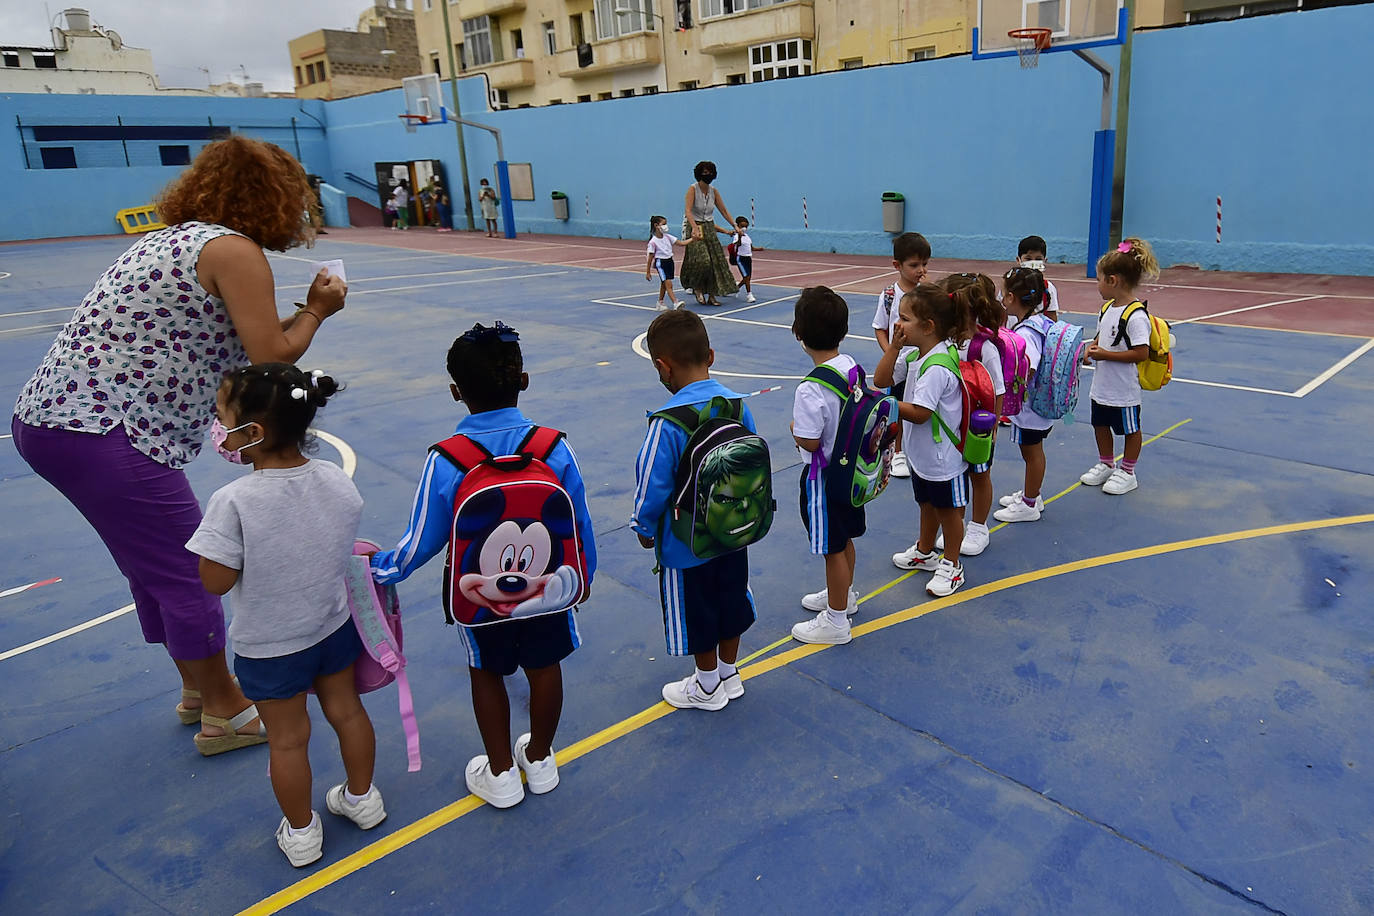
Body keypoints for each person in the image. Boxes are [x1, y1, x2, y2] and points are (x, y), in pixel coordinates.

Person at [11, 136, 346, 756]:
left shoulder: (172, 239)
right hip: (108, 430)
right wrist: (319, 310)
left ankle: (197, 688)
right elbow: (271, 357)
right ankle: (224, 711)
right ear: (272, 198)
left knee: (153, 565)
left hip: (53, 421)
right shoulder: (235, 251)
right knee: (191, 574)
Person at [370, 322, 596, 809]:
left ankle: (500, 774)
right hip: (549, 588)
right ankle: (538, 757)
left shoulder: (449, 459)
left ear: (456, 392)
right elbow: (579, 519)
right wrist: (584, 577)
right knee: (545, 665)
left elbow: (423, 538)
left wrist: (381, 570)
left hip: (480, 596)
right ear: (524, 380)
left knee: (486, 672)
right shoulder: (553, 447)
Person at [185, 364, 383, 867]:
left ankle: (301, 833)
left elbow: (215, 581)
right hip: (332, 627)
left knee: (289, 739)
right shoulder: (335, 480)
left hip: (271, 647)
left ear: (251, 433)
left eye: (221, 417)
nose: (217, 427)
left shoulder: (233, 501)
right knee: (347, 712)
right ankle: (363, 799)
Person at [631, 310, 758, 710]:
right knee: (732, 599)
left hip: (687, 543)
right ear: (712, 356)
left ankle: (705, 686)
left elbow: (653, 482)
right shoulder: (737, 406)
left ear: (661, 366)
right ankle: (728, 673)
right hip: (734, 530)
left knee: (697, 611)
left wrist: (643, 524)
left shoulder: (667, 422)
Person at [874, 285, 969, 597]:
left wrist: (881, 405)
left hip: (943, 459)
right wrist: (893, 349)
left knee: (949, 513)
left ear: (928, 327)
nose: (898, 324)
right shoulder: (915, 354)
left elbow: (920, 413)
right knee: (926, 504)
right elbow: (882, 381)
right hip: (922, 455)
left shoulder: (937, 366)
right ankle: (925, 551)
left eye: (905, 319)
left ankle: (952, 565)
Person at [790, 287, 866, 646]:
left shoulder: (810, 387)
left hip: (822, 477)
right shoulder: (852, 366)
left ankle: (835, 621)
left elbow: (808, 439)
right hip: (850, 473)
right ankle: (843, 595)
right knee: (844, 537)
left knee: (831, 546)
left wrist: (793, 429)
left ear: (799, 334)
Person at [1080, 238, 1160, 496]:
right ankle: (1106, 463)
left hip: (1123, 390)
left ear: (1113, 281)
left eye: (1099, 279)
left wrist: (1105, 354)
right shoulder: (1106, 309)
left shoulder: (1136, 316)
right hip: (1102, 386)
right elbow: (1102, 337)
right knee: (1100, 425)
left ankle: (1128, 471)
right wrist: (1091, 348)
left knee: (1129, 430)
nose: (1098, 285)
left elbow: (1141, 353)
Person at [939, 273, 1005, 557]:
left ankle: (978, 526)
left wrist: (991, 431)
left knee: (979, 475)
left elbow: (997, 390)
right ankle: (958, 525)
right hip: (951, 425)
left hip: (977, 427)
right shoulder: (943, 341)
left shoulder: (983, 348)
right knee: (955, 477)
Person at [995, 267, 1056, 523]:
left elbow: (1028, 366)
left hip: (1031, 408)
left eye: (1003, 294)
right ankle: (1034, 493)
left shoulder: (1025, 333)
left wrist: (1011, 383)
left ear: (1011, 298)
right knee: (1032, 451)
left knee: (1031, 453)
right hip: (1040, 403)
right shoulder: (1041, 322)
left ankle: (1030, 503)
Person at [872, 232, 930, 479]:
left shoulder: (927, 294)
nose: (921, 270)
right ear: (897, 265)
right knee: (898, 405)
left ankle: (918, 449)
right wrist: (890, 352)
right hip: (898, 364)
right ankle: (897, 453)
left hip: (924, 361)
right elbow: (879, 327)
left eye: (925, 264)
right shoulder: (889, 295)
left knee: (921, 405)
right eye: (914, 265)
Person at [680, 161, 739, 307]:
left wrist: (735, 226)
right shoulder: (692, 189)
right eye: (705, 172)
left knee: (714, 261)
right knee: (703, 260)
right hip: (695, 226)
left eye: (710, 172)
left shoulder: (714, 191)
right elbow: (688, 211)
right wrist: (694, 228)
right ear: (699, 173)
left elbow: (723, 211)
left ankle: (712, 294)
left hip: (709, 226)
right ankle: (697, 288)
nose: (708, 175)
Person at [645, 215, 686, 310]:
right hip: (661, 263)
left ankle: (660, 302)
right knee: (668, 283)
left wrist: (693, 239)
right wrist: (648, 272)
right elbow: (650, 257)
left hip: (669, 261)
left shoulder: (667, 237)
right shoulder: (653, 242)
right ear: (656, 225)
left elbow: (681, 243)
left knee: (664, 284)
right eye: (663, 224)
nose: (666, 226)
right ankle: (675, 302)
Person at [1015, 235, 1060, 321]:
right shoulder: (1010, 285)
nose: (1033, 263)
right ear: (1018, 260)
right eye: (1028, 259)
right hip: (1012, 332)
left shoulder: (1048, 287)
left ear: (1044, 261)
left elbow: (1052, 318)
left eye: (1038, 259)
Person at [730, 216, 761, 303]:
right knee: (746, 277)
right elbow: (738, 245)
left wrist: (759, 249)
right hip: (741, 259)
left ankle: (736, 288)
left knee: (748, 278)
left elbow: (751, 248)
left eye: (746, 226)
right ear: (738, 226)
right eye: (742, 226)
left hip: (748, 258)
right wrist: (739, 236)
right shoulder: (736, 236)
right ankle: (749, 295)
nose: (744, 228)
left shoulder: (747, 237)